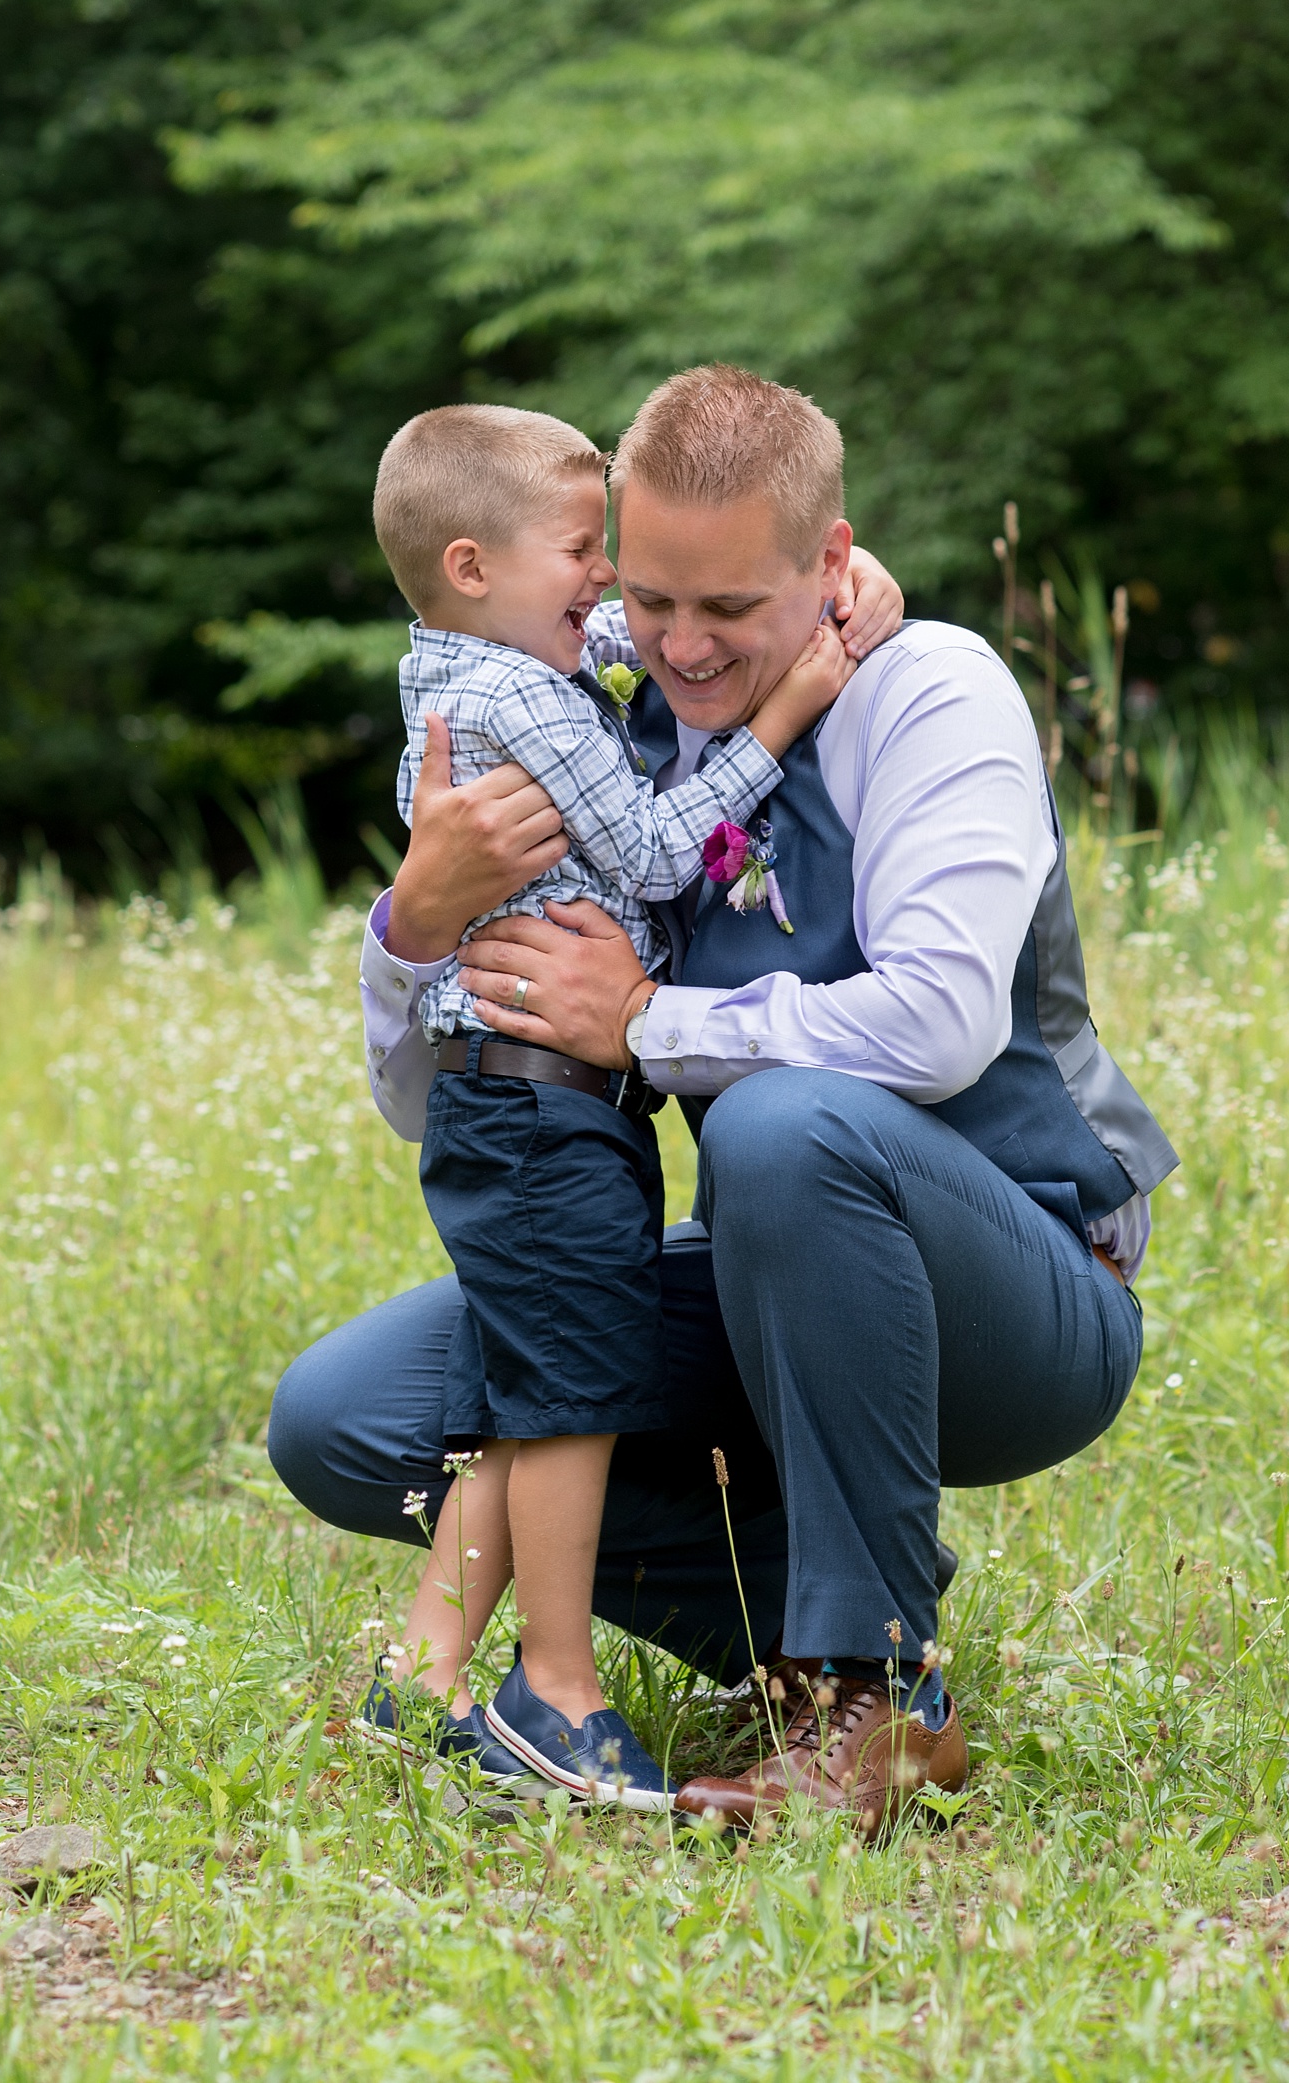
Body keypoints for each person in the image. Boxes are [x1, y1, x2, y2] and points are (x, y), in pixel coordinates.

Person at [270, 364, 1177, 1835]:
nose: (681, 650)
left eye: (732, 613)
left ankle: (872, 1688)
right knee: (352, 1419)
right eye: (650, 600)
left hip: (1024, 1291)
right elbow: (427, 1104)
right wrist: (415, 926)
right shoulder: (600, 732)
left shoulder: (930, 692)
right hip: (777, 1283)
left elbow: (944, 1024)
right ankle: (797, 1622)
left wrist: (640, 1022)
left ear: (829, 569)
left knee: (781, 1122)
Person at [358, 401, 904, 1807]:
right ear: (477, 566)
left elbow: (632, 650)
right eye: (584, 553)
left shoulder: (465, 662)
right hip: (549, 1105)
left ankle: (420, 1671)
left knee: (523, 1389)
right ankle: (557, 1694)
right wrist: (787, 704)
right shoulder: (530, 699)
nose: (611, 592)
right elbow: (663, 852)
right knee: (572, 1397)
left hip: (512, 1104)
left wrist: (821, 596)